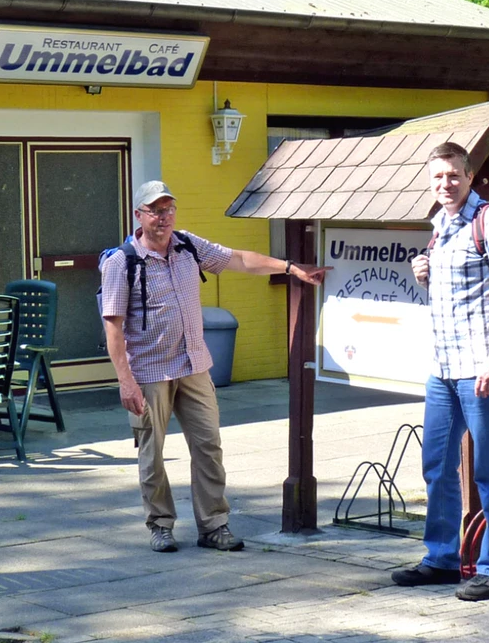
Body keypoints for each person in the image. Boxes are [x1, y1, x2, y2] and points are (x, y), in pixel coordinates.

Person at [101, 180, 329, 553]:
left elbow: (238, 259)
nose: (164, 217)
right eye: (155, 210)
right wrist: (125, 381)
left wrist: (289, 267)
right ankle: (160, 525)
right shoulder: (121, 263)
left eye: (169, 209)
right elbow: (113, 325)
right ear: (139, 216)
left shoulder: (188, 246)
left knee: (209, 446)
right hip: (149, 371)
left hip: (194, 364)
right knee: (152, 451)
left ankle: (214, 526)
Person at [391, 142, 489, 601]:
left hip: (481, 366)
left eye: (453, 176)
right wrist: (424, 271)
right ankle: (442, 560)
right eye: (437, 178)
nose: (445, 184)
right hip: (442, 367)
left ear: (470, 177)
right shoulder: (441, 225)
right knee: (437, 466)